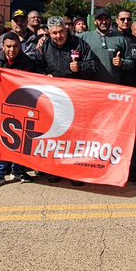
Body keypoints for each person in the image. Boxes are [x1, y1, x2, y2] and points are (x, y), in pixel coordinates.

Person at [32, 16, 97, 186]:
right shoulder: (43, 46)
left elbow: (93, 66)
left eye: (61, 31)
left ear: (66, 30)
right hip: (53, 100)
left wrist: (81, 67)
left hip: (76, 98)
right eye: (54, 33)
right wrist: (44, 75)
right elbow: (35, 67)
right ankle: (56, 169)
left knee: (75, 136)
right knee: (55, 135)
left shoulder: (79, 44)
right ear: (49, 33)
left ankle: (76, 171)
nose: (58, 36)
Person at [0, 32, 40, 189]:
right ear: (3, 47)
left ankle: (18, 169)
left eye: (15, 46)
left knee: (20, 137)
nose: (12, 50)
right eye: (9, 46)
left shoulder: (26, 61)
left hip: (19, 105)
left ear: (20, 46)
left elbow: (37, 82)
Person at [80, 9, 134, 85]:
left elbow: (131, 62)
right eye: (100, 19)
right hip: (89, 85)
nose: (104, 22)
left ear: (110, 21)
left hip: (112, 86)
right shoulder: (84, 37)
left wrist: (122, 63)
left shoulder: (120, 39)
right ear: (95, 21)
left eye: (106, 19)